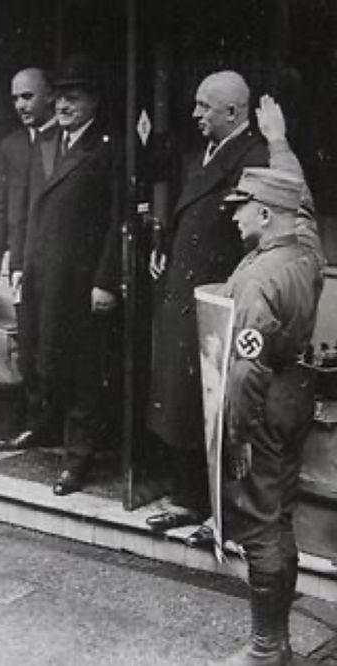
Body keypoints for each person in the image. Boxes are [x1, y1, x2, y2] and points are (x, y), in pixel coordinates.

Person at [146, 70, 268, 542]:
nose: (195, 115)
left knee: (220, 409)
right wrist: (167, 245)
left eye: (204, 107)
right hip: (188, 293)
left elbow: (256, 240)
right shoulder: (207, 155)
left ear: (233, 113)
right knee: (184, 403)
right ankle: (190, 500)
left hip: (223, 299)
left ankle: (225, 516)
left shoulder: (254, 159)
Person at [212, 166, 323, 666]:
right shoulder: (306, 255)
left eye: (241, 206)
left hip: (264, 400)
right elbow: (310, 214)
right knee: (279, 517)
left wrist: (235, 435)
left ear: (264, 212)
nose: (234, 216)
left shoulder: (258, 276)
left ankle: (265, 648)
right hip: (296, 392)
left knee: (259, 522)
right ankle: (278, 644)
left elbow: (245, 370)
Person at [15, 54, 122, 496]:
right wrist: (27, 268)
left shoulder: (107, 149)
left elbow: (119, 220)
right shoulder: (48, 144)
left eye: (73, 98)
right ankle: (58, 442)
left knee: (82, 372)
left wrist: (106, 279)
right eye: (59, 97)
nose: (63, 105)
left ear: (93, 101)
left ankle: (78, 460)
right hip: (46, 277)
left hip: (81, 281)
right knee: (50, 361)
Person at [0, 67, 58, 299]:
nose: (20, 106)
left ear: (49, 96)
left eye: (27, 96)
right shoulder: (12, 145)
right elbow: (0, 205)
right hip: (19, 266)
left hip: (54, 264)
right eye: (15, 98)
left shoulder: (64, 141)